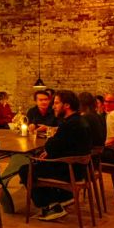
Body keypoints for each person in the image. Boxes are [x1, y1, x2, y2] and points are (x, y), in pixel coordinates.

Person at [19, 90, 91, 221]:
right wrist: (50, 149)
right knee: (40, 163)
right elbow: (59, 146)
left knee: (26, 170)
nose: (53, 106)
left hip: (69, 170)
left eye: (57, 103)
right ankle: (63, 197)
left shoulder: (68, 124)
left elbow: (51, 145)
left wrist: (50, 146)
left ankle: (51, 207)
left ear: (67, 105)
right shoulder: (79, 120)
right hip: (80, 168)